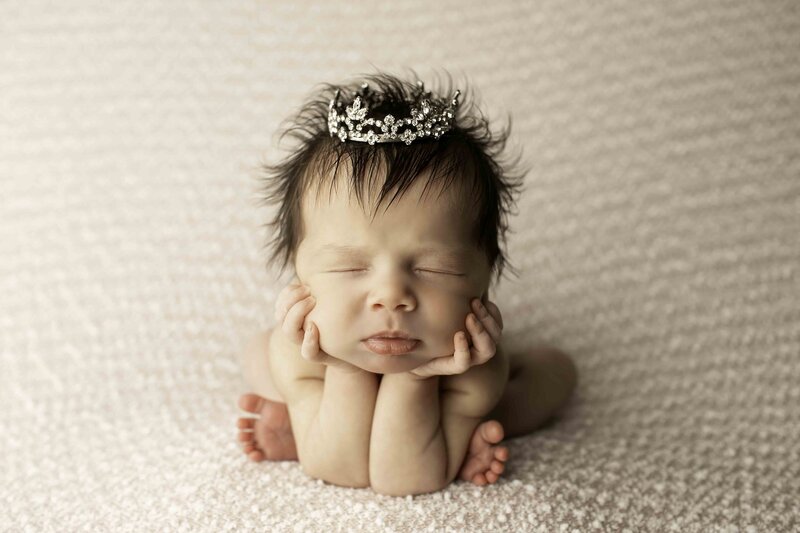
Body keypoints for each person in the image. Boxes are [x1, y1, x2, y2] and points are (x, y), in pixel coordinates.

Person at [236, 70, 578, 496]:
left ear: (485, 278)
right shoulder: (301, 353)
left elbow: (403, 479)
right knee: (258, 356)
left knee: (549, 378)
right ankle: (304, 415)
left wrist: (418, 378)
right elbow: (341, 470)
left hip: (446, 375)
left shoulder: (475, 372)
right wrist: (342, 368)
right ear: (297, 272)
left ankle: (444, 430)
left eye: (436, 269)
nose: (392, 298)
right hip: (319, 369)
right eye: (348, 268)